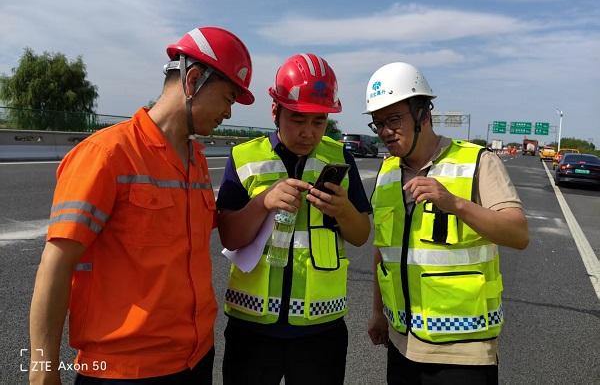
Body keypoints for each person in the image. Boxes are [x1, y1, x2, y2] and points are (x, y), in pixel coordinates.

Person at [29, 27, 254, 384]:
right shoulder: (106, 154)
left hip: (196, 359)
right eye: (228, 98)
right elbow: (56, 264)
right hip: (124, 370)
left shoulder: (196, 160)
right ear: (192, 80)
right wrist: (42, 368)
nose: (228, 113)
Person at [365, 62, 529, 384]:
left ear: (423, 114)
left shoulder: (478, 161)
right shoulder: (386, 173)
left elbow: (518, 234)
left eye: (394, 119)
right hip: (402, 343)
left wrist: (454, 203)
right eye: (378, 123)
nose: (385, 131)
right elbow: (383, 250)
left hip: (463, 351)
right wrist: (377, 311)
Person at [216, 53, 372, 384]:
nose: (308, 133)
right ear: (275, 111)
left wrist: (344, 210)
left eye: (319, 122)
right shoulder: (244, 157)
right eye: (298, 120)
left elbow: (361, 235)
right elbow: (229, 237)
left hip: (321, 328)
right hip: (252, 328)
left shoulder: (339, 157)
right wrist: (263, 203)